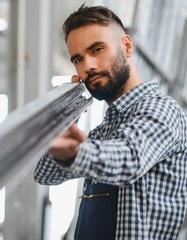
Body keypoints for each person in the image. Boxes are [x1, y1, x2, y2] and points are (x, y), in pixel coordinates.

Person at [34, 4, 187, 240]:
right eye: (78, 59)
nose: (88, 66)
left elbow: (130, 157)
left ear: (126, 46)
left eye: (97, 50)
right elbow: (45, 174)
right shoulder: (102, 132)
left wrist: (78, 152)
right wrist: (67, 116)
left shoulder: (162, 109)